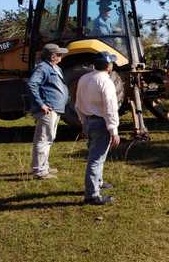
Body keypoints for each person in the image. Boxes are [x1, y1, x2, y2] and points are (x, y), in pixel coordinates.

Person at [75, 52, 120, 205]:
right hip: (101, 123)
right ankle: (92, 195)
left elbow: (78, 103)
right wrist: (114, 130)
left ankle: (97, 182)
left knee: (95, 156)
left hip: (88, 121)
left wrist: (83, 122)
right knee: (96, 159)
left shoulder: (84, 78)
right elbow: (110, 108)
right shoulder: (106, 82)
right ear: (108, 66)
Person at [28, 43, 70, 179]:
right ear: (52, 56)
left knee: (48, 138)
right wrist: (41, 104)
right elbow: (32, 84)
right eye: (59, 54)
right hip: (48, 109)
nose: (61, 56)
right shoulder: (42, 68)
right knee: (43, 139)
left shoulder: (54, 67)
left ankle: (44, 167)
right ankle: (40, 171)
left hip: (55, 108)